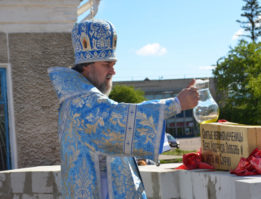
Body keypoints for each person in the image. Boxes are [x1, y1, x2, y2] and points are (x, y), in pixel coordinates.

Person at [48, 19, 199, 199]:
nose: (113, 72)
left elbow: (110, 140)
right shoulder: (82, 103)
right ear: (86, 65)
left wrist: (163, 140)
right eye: (107, 65)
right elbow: (120, 118)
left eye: (113, 64)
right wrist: (177, 103)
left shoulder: (77, 98)